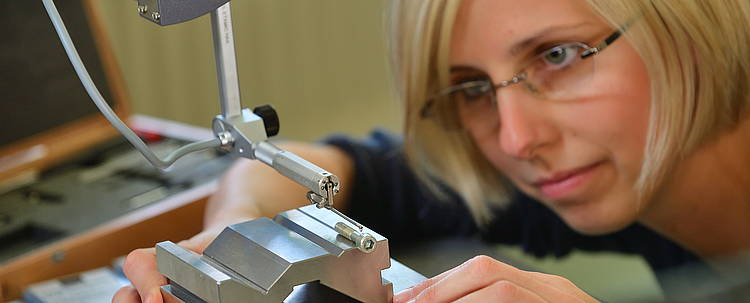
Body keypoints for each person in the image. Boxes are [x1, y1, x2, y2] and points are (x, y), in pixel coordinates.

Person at [113, 0, 750, 302]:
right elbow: (339, 167)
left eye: (558, 57)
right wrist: (238, 243)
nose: (516, 140)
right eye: (471, 89)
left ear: (686, 27)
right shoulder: (568, 174)